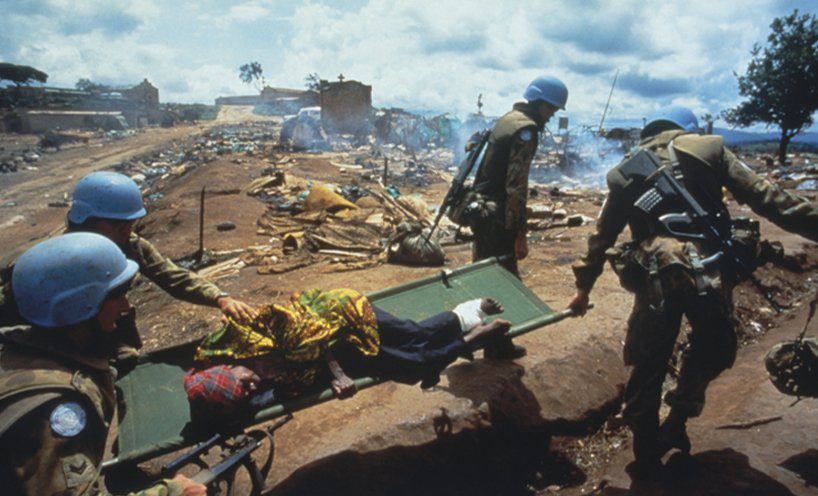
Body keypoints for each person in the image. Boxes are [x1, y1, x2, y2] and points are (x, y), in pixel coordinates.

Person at [566, 104, 818, 478]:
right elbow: (769, 198)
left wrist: (583, 289)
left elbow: (601, 237)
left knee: (647, 362)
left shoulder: (621, 174)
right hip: (709, 270)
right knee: (716, 346)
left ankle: (646, 449)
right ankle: (679, 416)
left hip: (656, 279)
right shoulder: (710, 149)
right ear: (690, 129)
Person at [0, 232, 206, 496]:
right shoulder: (56, 407)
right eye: (116, 295)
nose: (126, 306)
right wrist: (171, 492)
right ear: (79, 305)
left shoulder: (18, 349)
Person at [0, 171, 256, 349]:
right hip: (49, 345)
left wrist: (219, 297)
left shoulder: (127, 243)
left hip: (107, 333)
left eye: (130, 224)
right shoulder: (43, 262)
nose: (126, 232)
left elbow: (171, 275)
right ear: (85, 220)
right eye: (116, 224)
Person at [188, 289, 512, 406]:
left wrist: (338, 374)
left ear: (227, 367)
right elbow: (295, 381)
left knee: (410, 334)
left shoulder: (245, 334)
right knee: (413, 362)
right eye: (248, 392)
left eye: (244, 382)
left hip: (341, 313)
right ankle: (469, 335)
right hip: (339, 348)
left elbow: (310, 338)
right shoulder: (253, 383)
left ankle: (468, 314)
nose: (253, 386)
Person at [470, 75, 568, 358]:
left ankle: (485, 339)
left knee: (485, 277)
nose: (550, 117)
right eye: (551, 110)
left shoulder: (508, 119)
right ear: (541, 105)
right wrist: (520, 234)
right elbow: (516, 187)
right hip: (498, 215)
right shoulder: (526, 130)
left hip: (482, 210)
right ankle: (498, 346)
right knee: (503, 281)